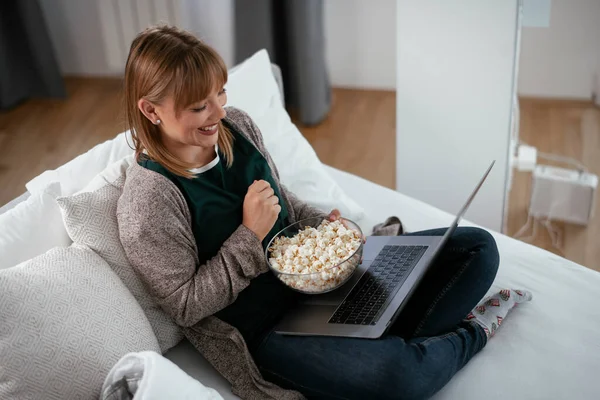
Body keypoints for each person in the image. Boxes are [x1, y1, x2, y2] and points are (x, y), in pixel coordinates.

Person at [117, 25, 532, 400]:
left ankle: (382, 330)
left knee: (477, 249)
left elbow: (282, 198)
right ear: (152, 111)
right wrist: (249, 236)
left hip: (328, 280)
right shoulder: (149, 200)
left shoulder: (237, 127)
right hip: (269, 328)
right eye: (198, 107)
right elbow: (184, 306)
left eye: (220, 93)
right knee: (398, 378)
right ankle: (469, 332)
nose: (219, 112)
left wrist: (322, 228)